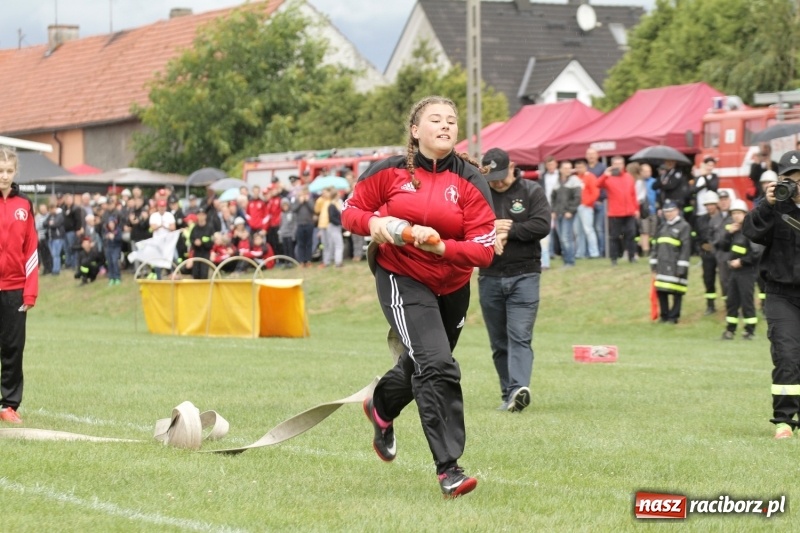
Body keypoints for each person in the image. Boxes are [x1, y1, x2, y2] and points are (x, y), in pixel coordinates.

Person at [341, 95, 496, 498]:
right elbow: (351, 212)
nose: (446, 126)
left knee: (422, 365)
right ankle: (450, 470)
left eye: (451, 120)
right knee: (438, 363)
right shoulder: (389, 172)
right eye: (436, 120)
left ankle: (381, 406)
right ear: (415, 130)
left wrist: (442, 247)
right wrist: (379, 223)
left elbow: (483, 249)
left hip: (453, 284)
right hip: (402, 276)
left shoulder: (470, 179)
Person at [477, 148, 550, 413]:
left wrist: (511, 230)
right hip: (490, 276)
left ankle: (519, 387)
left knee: (519, 335)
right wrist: (490, 231)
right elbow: (466, 227)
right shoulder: (480, 195)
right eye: (491, 177)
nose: (496, 182)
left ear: (513, 167)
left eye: (500, 176)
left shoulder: (531, 191)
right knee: (498, 341)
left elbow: (542, 225)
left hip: (525, 275)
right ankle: (509, 394)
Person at [742, 150, 800, 439]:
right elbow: (750, 231)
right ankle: (785, 421)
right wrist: (768, 203)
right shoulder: (773, 207)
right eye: (790, 179)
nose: (795, 184)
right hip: (781, 295)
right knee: (787, 357)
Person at [0, 147, 38, 424]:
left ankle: (8, 405)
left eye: (8, 171)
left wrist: (30, 290)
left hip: (15, 289)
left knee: (13, 347)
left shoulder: (24, 204)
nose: (4, 176)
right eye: (0, 171)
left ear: (15, 172)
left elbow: (31, 250)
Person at [720, 199, 763, 340]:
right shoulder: (734, 230)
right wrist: (729, 234)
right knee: (731, 301)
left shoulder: (750, 231)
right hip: (733, 272)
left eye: (738, 213)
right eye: (733, 213)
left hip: (747, 272)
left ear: (745, 214)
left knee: (747, 302)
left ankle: (750, 331)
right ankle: (729, 331)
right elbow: (724, 247)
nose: (735, 216)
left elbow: (756, 252)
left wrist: (742, 261)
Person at [649, 200, 691, 323]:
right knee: (661, 291)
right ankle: (664, 315)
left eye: (671, 211)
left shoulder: (684, 226)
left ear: (677, 211)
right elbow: (655, 247)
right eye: (666, 212)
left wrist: (681, 268)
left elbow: (685, 249)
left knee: (677, 292)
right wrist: (653, 266)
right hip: (662, 265)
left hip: (675, 265)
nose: (668, 214)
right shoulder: (662, 227)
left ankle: (674, 316)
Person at [597, 156, 639, 265]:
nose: (618, 166)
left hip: (629, 211)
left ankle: (632, 257)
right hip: (615, 212)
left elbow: (633, 194)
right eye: (616, 164)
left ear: (623, 165)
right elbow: (597, 185)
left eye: (620, 163)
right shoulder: (608, 177)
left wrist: (636, 209)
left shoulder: (628, 177)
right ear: (612, 165)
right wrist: (605, 175)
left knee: (631, 234)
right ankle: (614, 259)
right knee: (614, 237)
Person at [550, 160, 582, 267]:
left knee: (566, 237)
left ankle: (570, 261)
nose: (568, 170)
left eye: (569, 168)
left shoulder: (575, 180)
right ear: (561, 169)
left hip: (568, 214)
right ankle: (566, 261)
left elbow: (577, 198)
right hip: (558, 213)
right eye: (565, 168)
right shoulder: (557, 181)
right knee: (561, 238)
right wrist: (553, 210)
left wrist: (570, 211)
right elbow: (553, 198)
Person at [695, 191, 721, 315]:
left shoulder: (724, 218)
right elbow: (697, 237)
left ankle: (730, 304)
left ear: (717, 204)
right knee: (708, 279)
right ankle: (710, 305)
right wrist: (701, 246)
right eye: (707, 205)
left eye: (712, 204)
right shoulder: (701, 220)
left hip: (722, 252)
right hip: (707, 254)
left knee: (725, 280)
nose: (709, 207)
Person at [573, 159, 600, 259]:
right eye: (577, 167)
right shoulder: (575, 177)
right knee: (578, 231)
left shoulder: (590, 177)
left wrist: (587, 203)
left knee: (588, 230)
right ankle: (580, 253)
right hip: (576, 207)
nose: (579, 169)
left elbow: (595, 192)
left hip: (586, 207)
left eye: (581, 167)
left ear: (585, 167)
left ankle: (594, 253)